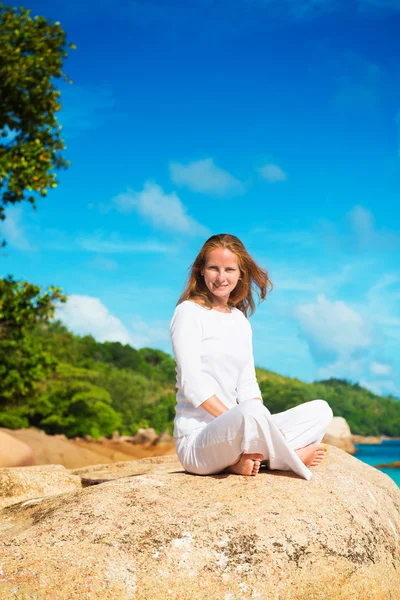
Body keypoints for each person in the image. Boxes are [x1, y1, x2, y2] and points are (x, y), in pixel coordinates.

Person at [170, 233, 333, 479]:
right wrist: (249, 424)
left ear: (240, 274)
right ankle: (287, 457)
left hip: (239, 431)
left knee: (321, 410)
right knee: (249, 413)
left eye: (229, 269)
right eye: (213, 268)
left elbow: (247, 385)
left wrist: (258, 426)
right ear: (201, 271)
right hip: (197, 441)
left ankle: (242, 461)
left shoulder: (240, 321)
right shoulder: (188, 312)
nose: (221, 277)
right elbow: (193, 386)